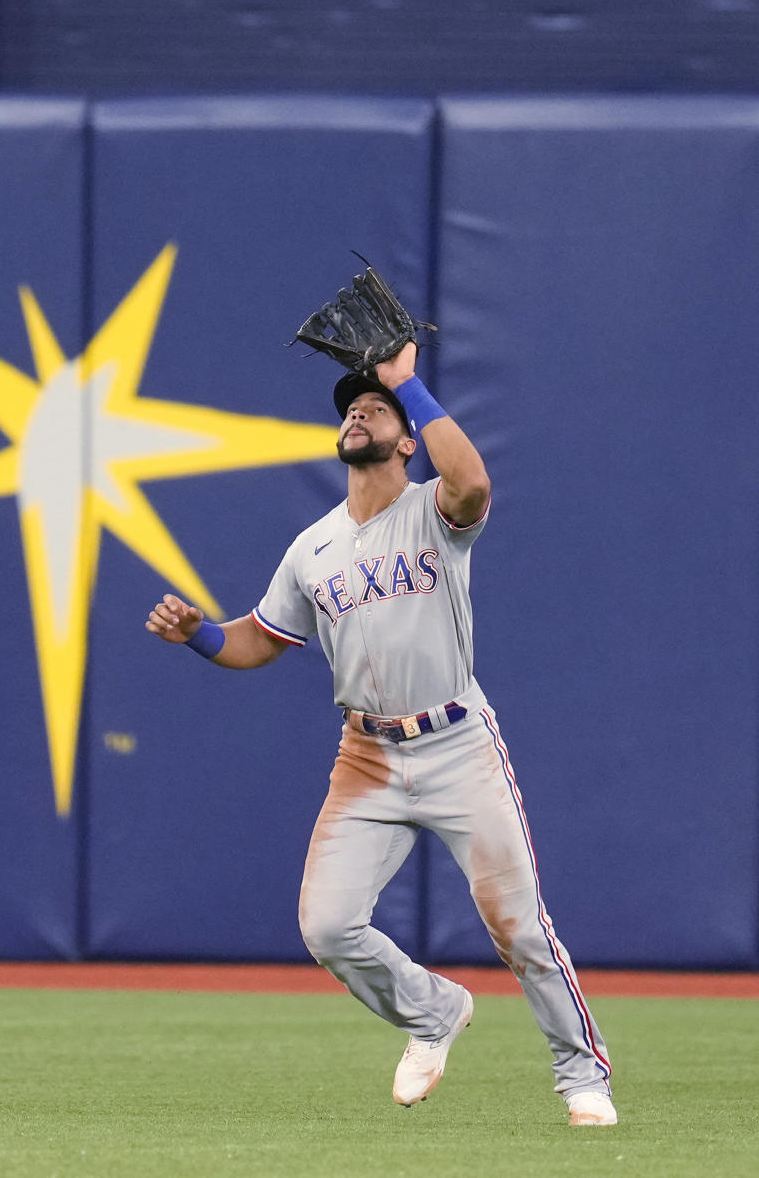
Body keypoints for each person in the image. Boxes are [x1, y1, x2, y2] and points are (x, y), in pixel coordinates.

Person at [145, 343, 616, 1127]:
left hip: (458, 742)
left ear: (408, 439)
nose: (357, 411)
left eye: (377, 408)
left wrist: (405, 382)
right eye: (351, 408)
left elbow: (474, 484)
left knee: (519, 926)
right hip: (365, 756)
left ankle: (581, 1076)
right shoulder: (313, 547)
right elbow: (259, 639)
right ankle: (432, 1013)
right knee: (327, 926)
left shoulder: (433, 510)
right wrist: (199, 633)